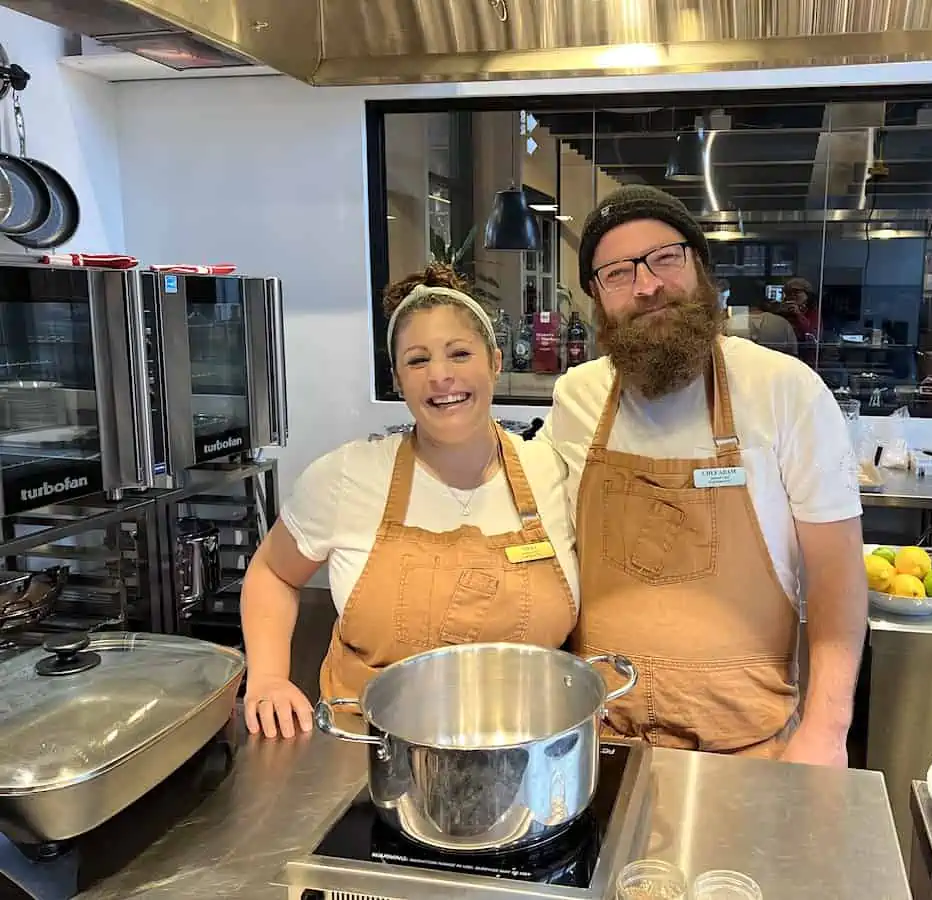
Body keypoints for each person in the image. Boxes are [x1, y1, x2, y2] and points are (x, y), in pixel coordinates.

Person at [539, 185, 866, 765]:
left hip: (751, 750)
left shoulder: (783, 390)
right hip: (599, 745)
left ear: (701, 266)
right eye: (617, 273)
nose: (647, 285)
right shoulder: (576, 399)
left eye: (665, 258)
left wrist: (826, 728)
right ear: (596, 297)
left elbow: (837, 573)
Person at [240, 263, 579, 738]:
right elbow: (272, 572)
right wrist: (268, 678)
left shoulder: (551, 472)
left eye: (459, 353)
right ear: (398, 380)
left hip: (524, 752)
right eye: (418, 361)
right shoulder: (348, 476)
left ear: (496, 362)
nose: (440, 376)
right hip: (368, 756)